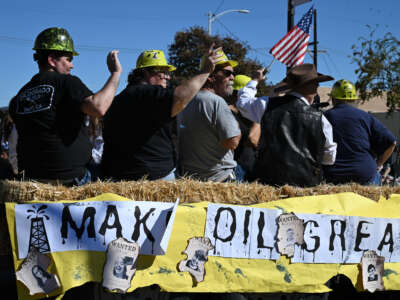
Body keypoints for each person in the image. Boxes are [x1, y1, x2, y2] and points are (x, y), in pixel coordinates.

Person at [8, 27, 122, 186]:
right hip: (71, 179)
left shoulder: (19, 96)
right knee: (113, 173)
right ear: (52, 60)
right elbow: (99, 107)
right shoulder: (67, 82)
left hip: (32, 180)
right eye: (68, 59)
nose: (71, 66)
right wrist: (115, 74)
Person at [101, 45, 223, 181]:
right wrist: (205, 71)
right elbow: (180, 99)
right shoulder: (147, 93)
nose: (168, 77)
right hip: (152, 177)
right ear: (146, 73)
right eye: (163, 72)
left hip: (118, 177)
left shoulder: (119, 98)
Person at [253, 63, 337, 187]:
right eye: (316, 85)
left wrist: (254, 81)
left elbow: (242, 102)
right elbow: (330, 158)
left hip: (269, 184)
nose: (316, 90)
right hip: (306, 186)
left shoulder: (266, 105)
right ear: (310, 88)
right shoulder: (320, 119)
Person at [177, 50, 242, 182]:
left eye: (233, 73)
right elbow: (232, 142)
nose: (232, 77)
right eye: (227, 73)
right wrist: (237, 126)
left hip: (190, 180)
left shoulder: (184, 101)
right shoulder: (216, 102)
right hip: (219, 178)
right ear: (211, 77)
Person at [323, 79, 397, 185]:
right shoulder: (366, 117)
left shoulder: (324, 117)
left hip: (332, 176)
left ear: (333, 98)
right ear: (353, 99)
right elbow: (392, 142)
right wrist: (379, 164)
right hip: (364, 175)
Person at [226, 74, 261, 180]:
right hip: (239, 170)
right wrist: (258, 117)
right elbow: (252, 140)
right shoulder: (228, 113)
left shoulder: (241, 115)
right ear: (239, 94)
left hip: (248, 168)